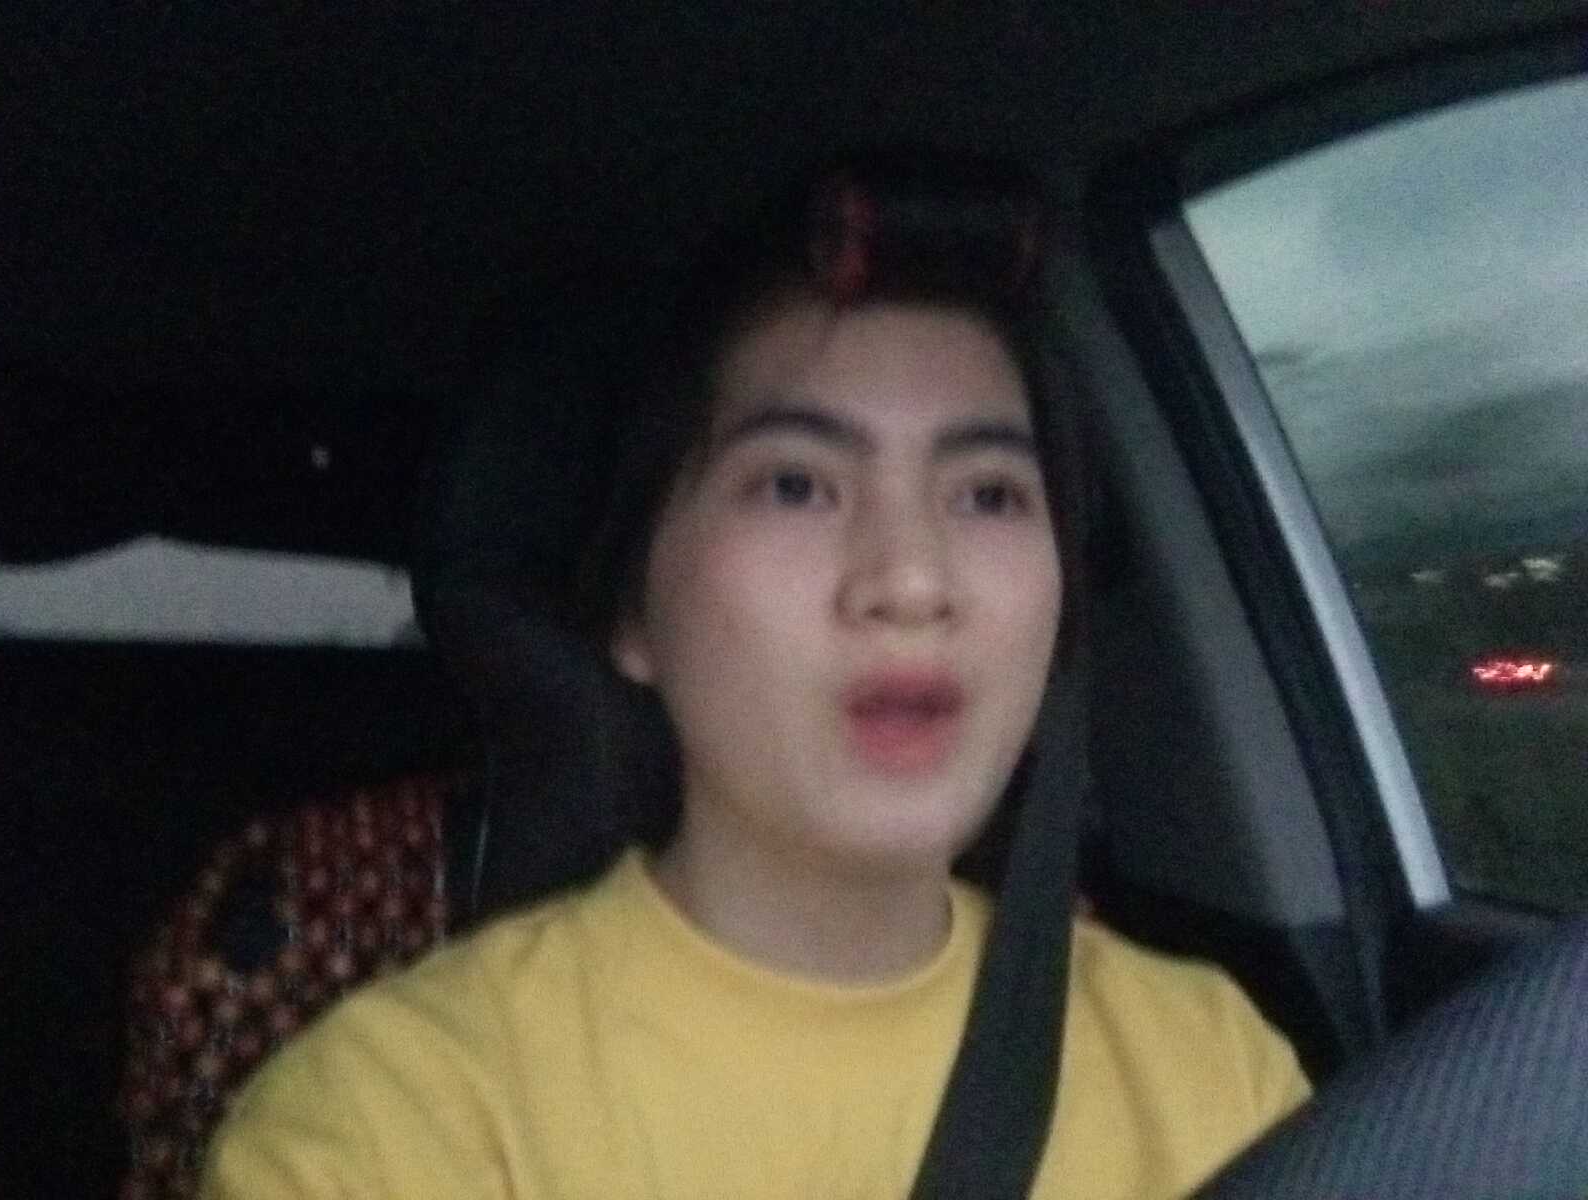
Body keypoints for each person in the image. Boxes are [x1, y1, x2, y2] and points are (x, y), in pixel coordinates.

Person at [202, 148, 1309, 1200]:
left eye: (988, 495)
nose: (911, 581)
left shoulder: (1213, 1077)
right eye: (795, 485)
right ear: (632, 612)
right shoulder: (392, 1127)